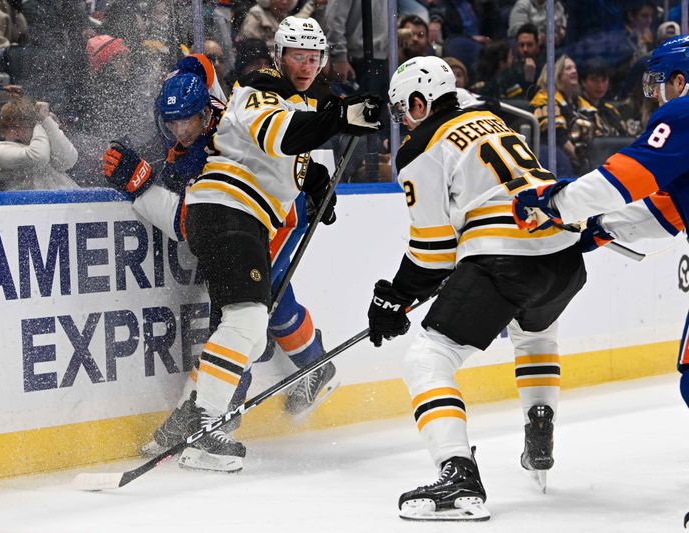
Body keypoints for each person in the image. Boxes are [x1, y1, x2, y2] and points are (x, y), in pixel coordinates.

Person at [103, 16, 381, 472]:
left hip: (233, 216)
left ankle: (196, 421)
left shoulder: (292, 103)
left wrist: (315, 181)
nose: (306, 66)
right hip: (230, 213)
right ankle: (206, 425)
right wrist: (341, 116)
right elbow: (283, 133)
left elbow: (284, 153)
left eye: (314, 58)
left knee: (246, 321)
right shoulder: (260, 87)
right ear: (278, 56)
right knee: (248, 318)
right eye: (297, 56)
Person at [369, 55, 586, 521]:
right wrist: (405, 292)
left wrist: (392, 296)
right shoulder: (490, 119)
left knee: (428, 358)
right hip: (564, 255)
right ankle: (539, 421)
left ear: (421, 102)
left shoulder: (423, 143)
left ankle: (458, 475)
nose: (403, 121)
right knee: (535, 334)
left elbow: (432, 251)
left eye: (404, 110)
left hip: (504, 256)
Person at [511, 35, 689, 407]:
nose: (657, 95)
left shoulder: (683, 112)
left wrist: (554, 203)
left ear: (679, 80)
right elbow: (671, 208)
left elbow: (628, 177)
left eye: (660, 84)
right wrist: (604, 226)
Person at [0, 97, 79, 190]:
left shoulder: (41, 141)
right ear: (2, 131)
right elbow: (39, 157)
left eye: (24, 126)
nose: (18, 132)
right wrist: (40, 121)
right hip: (32, 203)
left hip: (69, 199)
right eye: (12, 127)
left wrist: (48, 122)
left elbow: (69, 160)